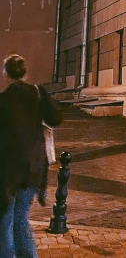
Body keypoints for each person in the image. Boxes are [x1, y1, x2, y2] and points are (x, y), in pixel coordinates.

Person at [0, 54, 62, 258]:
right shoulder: (37, 93)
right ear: (25, 73)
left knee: (6, 219)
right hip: (33, 165)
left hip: (9, 168)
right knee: (20, 217)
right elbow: (55, 118)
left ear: (5, 73)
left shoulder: (4, 99)